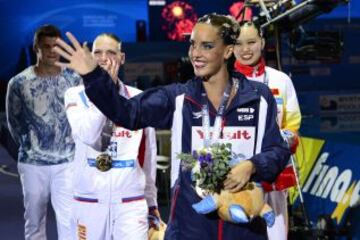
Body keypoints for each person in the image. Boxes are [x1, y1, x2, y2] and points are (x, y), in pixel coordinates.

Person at [54, 13, 291, 240]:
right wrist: (93, 76)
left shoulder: (258, 97)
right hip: (191, 227)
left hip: (244, 226)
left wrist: (251, 166)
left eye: (207, 46)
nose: (195, 54)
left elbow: (278, 150)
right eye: (192, 44)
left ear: (228, 51)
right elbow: (126, 113)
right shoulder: (178, 98)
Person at [64, 33, 160, 240]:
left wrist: (152, 204)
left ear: (122, 58)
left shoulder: (138, 98)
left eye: (111, 52)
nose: (103, 58)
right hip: (89, 201)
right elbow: (88, 135)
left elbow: (148, 155)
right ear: (90, 56)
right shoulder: (74, 95)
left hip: (130, 202)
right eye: (97, 52)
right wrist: (103, 90)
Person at [5, 24, 81, 240]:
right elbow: (14, 123)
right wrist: (32, 146)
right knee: (34, 219)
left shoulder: (74, 80)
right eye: (45, 46)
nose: (51, 51)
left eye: (55, 46)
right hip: (32, 163)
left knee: (69, 219)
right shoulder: (19, 83)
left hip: (68, 161)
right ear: (35, 47)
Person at [234, 21, 302, 240]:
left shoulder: (281, 80)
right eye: (239, 43)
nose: (246, 49)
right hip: (235, 177)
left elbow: (292, 124)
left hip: (274, 175)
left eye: (251, 42)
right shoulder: (222, 80)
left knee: (276, 235)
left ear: (262, 42)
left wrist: (286, 139)